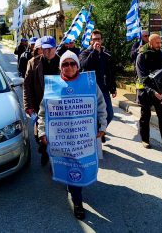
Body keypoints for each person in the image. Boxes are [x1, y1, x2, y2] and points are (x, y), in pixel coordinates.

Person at [37, 50, 107, 220]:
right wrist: (42, 131)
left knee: (80, 164)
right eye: (65, 64)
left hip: (83, 138)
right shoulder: (53, 85)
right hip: (62, 138)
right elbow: (43, 112)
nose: (69, 67)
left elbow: (100, 105)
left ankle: (75, 190)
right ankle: (77, 201)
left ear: (78, 65)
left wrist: (102, 126)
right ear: (61, 67)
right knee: (70, 166)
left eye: (72, 63)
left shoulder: (89, 83)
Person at [23, 35, 60, 165]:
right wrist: (28, 105)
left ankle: (53, 159)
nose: (47, 51)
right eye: (44, 49)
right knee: (39, 135)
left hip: (58, 106)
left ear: (55, 48)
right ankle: (44, 150)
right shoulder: (33, 63)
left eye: (50, 48)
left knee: (56, 135)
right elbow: (26, 85)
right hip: (40, 106)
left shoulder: (63, 62)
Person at [80, 29, 117, 131]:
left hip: (103, 89)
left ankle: (100, 130)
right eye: (94, 39)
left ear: (102, 40)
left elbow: (110, 72)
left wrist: (113, 87)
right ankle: (96, 133)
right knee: (92, 114)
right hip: (90, 89)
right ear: (91, 41)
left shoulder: (106, 54)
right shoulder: (85, 53)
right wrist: (95, 52)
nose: (97, 41)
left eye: (99, 39)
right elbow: (85, 65)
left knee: (109, 114)